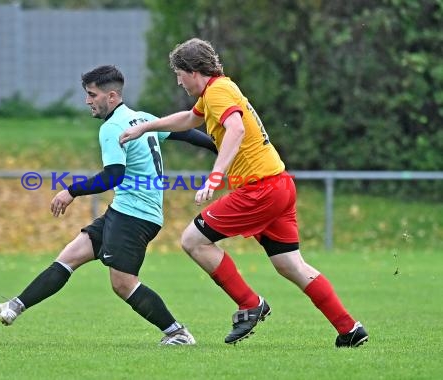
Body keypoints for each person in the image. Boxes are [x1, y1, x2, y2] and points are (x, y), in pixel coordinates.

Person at [119, 38, 369, 348]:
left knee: (193, 240)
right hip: (279, 184)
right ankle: (349, 328)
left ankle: (250, 304)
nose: (178, 80)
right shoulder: (216, 92)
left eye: (178, 73)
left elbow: (235, 129)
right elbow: (189, 119)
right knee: (290, 265)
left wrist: (214, 177)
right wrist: (145, 127)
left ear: (193, 71)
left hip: (260, 188)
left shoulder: (219, 92)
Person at [0, 65, 217, 345]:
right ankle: (15, 306)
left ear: (111, 97)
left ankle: (178, 333)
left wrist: (71, 191)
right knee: (71, 255)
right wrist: (218, 146)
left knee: (123, 284)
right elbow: (185, 134)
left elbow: (114, 176)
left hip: (134, 216)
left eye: (92, 94)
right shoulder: (141, 118)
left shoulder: (112, 127)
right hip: (126, 211)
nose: (87, 101)